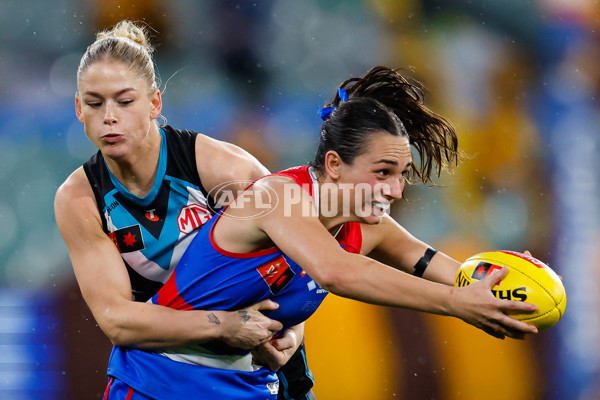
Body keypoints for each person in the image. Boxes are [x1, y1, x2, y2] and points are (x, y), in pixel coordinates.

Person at [101, 66, 539, 399]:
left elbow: (447, 269)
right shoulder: (277, 197)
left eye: (401, 173)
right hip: (158, 381)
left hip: (245, 382)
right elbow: (335, 272)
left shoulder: (368, 225)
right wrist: (455, 304)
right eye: (381, 172)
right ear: (333, 165)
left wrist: (511, 284)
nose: (395, 188)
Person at [54, 20, 312, 399]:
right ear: (78, 108)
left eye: (125, 101)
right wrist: (221, 325)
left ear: (155, 103)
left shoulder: (223, 168)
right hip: (156, 376)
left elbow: (303, 259)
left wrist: (293, 331)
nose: (109, 116)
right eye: (94, 103)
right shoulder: (79, 199)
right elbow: (118, 322)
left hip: (255, 369)